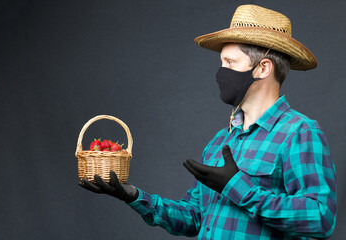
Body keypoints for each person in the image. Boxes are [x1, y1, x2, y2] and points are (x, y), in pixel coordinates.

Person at [79, 4, 337, 239]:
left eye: (230, 62)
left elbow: (320, 218)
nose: (219, 73)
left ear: (263, 68)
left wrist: (237, 187)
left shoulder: (299, 132)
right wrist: (133, 196)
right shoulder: (221, 140)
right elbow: (194, 218)